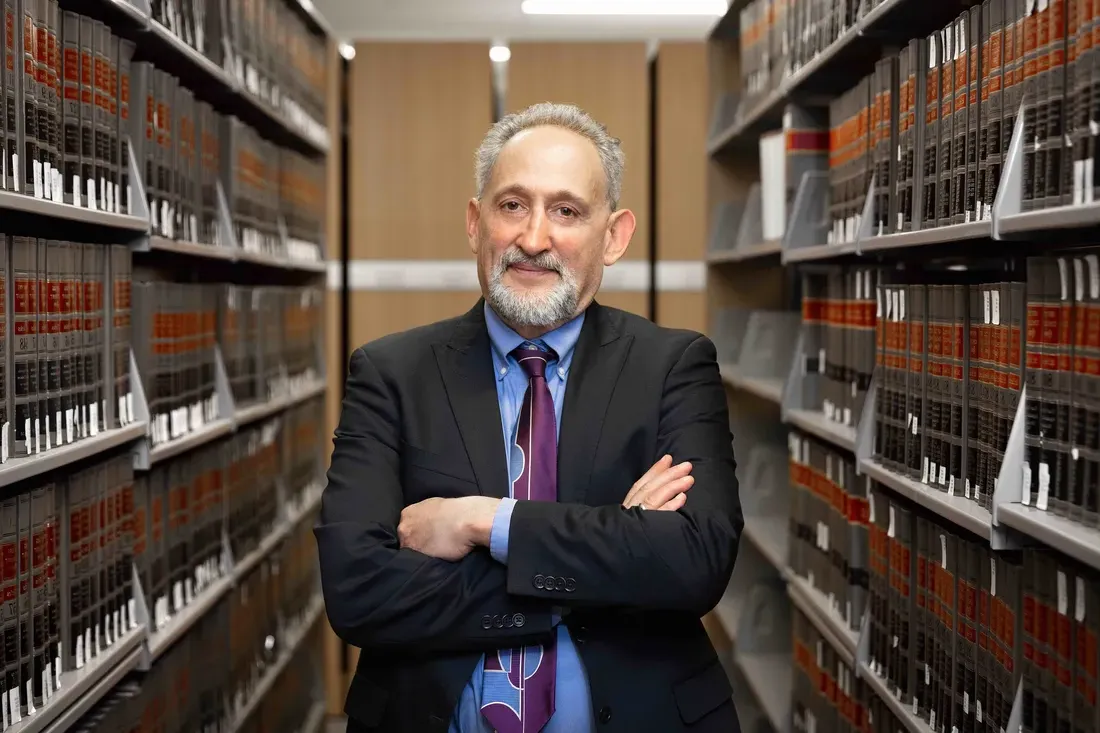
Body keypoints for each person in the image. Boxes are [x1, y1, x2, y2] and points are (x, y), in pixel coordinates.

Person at [315, 101, 744, 733]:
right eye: (512, 205)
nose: (535, 238)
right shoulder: (391, 373)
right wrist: (613, 550)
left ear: (615, 236)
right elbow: (358, 590)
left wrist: (482, 522)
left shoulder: (672, 367)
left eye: (566, 211)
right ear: (474, 221)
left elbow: (694, 562)